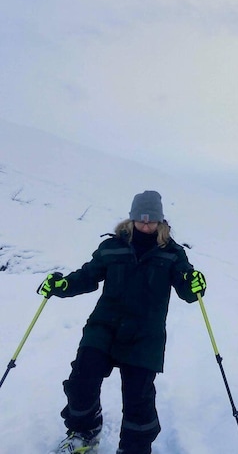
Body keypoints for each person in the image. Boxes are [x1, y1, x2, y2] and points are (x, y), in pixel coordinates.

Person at [37, 190, 206, 454]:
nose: (146, 225)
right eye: (141, 220)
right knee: (82, 379)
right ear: (132, 218)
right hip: (104, 326)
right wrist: (64, 284)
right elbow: (88, 276)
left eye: (152, 221)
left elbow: (187, 289)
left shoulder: (172, 253)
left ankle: (134, 449)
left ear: (161, 222)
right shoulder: (112, 246)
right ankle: (85, 431)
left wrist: (194, 284)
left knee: (139, 398)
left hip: (145, 334)